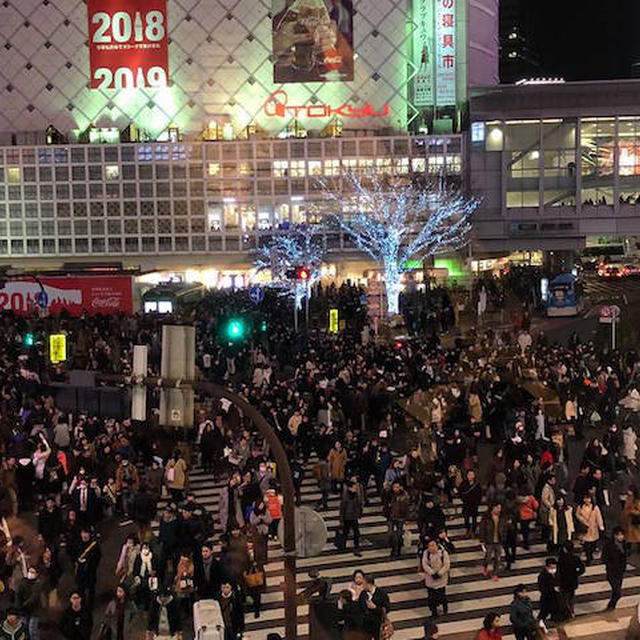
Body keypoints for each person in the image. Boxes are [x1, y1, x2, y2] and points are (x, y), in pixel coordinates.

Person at [422, 539, 450, 619]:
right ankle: (434, 613)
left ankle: (445, 608)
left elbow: (446, 565)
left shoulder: (443, 553)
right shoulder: (426, 553)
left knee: (442, 596)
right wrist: (432, 573)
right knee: (431, 598)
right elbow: (425, 564)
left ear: (437, 545)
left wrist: (440, 573)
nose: (431, 548)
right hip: (430, 580)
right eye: (429, 546)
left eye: (433, 545)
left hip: (441, 580)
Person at [557, 541, 584, 618]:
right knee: (571, 597)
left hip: (564, 581)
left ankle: (567, 612)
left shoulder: (562, 558)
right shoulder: (575, 558)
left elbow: (559, 571)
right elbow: (582, 568)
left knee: (564, 598)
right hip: (573, 581)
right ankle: (571, 611)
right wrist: (576, 574)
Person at [602, 526, 627, 610]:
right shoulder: (609, 546)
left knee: (615, 591)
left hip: (620, 572)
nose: (621, 536)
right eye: (618, 535)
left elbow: (625, 557)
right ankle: (610, 606)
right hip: (611, 572)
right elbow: (604, 558)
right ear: (614, 536)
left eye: (622, 534)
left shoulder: (624, 545)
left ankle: (611, 606)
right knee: (617, 592)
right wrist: (610, 565)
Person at [575, 494, 604, 565]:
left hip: (593, 528)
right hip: (585, 529)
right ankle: (588, 558)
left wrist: (601, 525)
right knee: (586, 545)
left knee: (593, 544)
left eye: (588, 498)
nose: (587, 500)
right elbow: (577, 515)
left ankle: (590, 555)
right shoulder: (581, 507)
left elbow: (599, 517)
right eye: (585, 498)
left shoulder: (595, 507)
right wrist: (582, 520)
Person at [358, 575, 390, 639]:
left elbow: (387, 609)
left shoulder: (381, 594)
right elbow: (360, 607)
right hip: (366, 624)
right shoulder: (363, 594)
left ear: (369, 584)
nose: (362, 586)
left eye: (364, 584)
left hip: (378, 623)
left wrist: (375, 607)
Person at [479, 504, 505, 581]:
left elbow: (504, 528)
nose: (499, 509)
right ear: (493, 508)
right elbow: (482, 528)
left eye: (500, 508)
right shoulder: (486, 517)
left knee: (498, 558)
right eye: (497, 508)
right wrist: (482, 540)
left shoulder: (502, 517)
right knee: (488, 557)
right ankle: (485, 566)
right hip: (489, 540)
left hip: (499, 541)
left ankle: (495, 573)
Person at [339, 480, 363, 556]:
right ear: (349, 488)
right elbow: (342, 508)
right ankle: (342, 546)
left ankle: (356, 547)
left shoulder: (356, 495)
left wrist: (359, 513)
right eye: (354, 487)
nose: (355, 488)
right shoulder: (345, 497)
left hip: (354, 517)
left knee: (356, 533)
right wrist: (341, 519)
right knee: (345, 532)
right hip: (347, 517)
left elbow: (359, 505)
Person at [387, 480, 409, 558]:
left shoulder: (404, 495)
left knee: (399, 535)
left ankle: (397, 550)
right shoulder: (389, 494)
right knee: (390, 533)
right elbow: (384, 500)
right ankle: (393, 548)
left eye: (397, 487)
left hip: (400, 517)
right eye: (394, 487)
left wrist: (406, 518)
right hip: (391, 516)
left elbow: (406, 508)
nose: (396, 489)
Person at [459, 470, 482, 536]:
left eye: (472, 474)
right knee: (466, 517)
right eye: (469, 474)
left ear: (474, 476)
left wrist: (477, 502)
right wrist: (464, 499)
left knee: (474, 518)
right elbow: (460, 492)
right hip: (466, 504)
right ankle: (467, 529)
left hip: (474, 504)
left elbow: (480, 494)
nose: (470, 476)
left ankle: (473, 531)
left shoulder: (477, 484)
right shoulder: (463, 484)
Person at [537, 558, 560, 623]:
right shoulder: (542, 576)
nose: (553, 569)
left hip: (556, 598)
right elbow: (542, 588)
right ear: (546, 567)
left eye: (554, 567)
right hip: (547, 598)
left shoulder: (558, 572)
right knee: (544, 612)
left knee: (556, 612)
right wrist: (553, 589)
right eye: (551, 567)